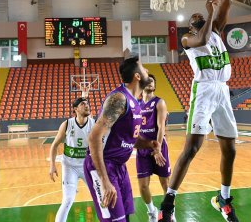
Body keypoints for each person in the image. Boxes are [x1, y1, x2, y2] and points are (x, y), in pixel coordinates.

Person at [159, 0, 238, 222]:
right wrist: (210, 12)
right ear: (191, 26)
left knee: (231, 149)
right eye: (195, 17)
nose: (197, 16)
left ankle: (223, 198)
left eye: (199, 15)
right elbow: (203, 40)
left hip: (222, 90)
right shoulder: (188, 39)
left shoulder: (215, 31)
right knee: (192, 148)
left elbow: (227, 0)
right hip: (203, 91)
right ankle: (168, 202)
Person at [83, 56, 164, 222]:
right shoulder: (119, 99)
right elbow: (93, 138)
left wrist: (149, 143)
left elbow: (129, 139)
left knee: (125, 218)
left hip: (119, 167)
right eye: (143, 68)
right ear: (137, 76)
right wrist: (104, 181)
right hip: (103, 165)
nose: (147, 70)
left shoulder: (135, 102)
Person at [49, 96, 95, 222]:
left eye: (87, 104)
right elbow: (54, 145)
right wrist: (52, 165)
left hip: (88, 166)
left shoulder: (94, 123)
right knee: (68, 200)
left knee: (101, 197)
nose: (87, 106)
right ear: (75, 109)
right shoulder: (67, 124)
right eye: (83, 104)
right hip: (70, 166)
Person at [137, 74, 172, 222]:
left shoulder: (159, 102)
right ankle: (152, 211)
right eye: (148, 80)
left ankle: (169, 213)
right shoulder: (136, 104)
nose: (151, 82)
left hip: (158, 146)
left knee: (166, 184)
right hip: (142, 148)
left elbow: (161, 127)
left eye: (153, 80)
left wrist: (157, 150)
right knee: (143, 187)